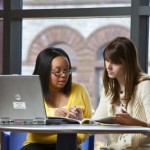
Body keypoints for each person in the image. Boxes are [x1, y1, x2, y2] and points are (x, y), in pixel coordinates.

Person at [21, 47, 92, 150]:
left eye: (66, 70)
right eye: (57, 71)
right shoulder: (33, 92)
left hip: (68, 145)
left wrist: (78, 124)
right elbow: (31, 127)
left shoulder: (80, 90)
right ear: (45, 72)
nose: (63, 75)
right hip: (35, 146)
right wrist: (54, 121)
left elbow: (87, 129)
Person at [92, 37, 150, 150]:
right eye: (107, 60)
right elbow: (97, 122)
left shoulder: (145, 86)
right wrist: (81, 120)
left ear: (128, 63)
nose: (108, 66)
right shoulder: (109, 88)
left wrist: (133, 122)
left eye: (115, 62)